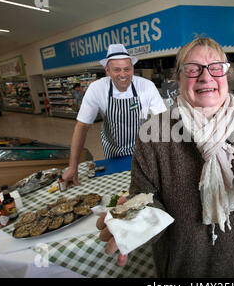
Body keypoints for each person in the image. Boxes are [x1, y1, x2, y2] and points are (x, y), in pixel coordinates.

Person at [96, 37, 234, 277]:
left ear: (225, 75)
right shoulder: (153, 132)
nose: (206, 77)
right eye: (193, 69)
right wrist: (135, 221)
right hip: (181, 268)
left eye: (216, 68)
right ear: (178, 79)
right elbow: (145, 198)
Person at [63, 44, 167, 187]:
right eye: (117, 70)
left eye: (127, 69)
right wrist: (73, 167)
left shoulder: (146, 86)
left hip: (141, 149)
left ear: (133, 68)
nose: (123, 74)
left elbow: (162, 122)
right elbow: (82, 126)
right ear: (107, 71)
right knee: (118, 188)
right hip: (113, 151)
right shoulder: (97, 89)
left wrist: (165, 158)